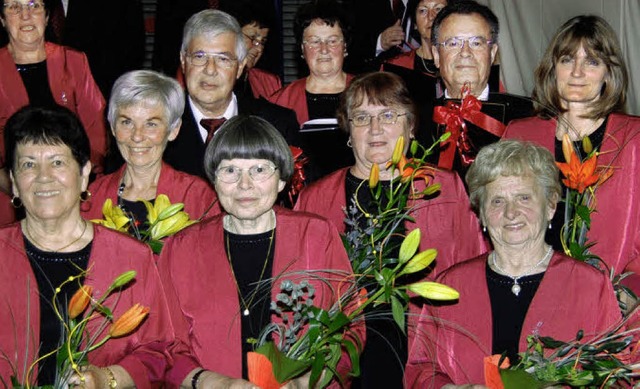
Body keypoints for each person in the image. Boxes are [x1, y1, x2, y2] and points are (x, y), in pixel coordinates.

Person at [295, 72, 485, 388]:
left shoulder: (445, 188)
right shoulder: (314, 198)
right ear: (347, 130)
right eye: (361, 117)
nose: (375, 129)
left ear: (410, 126)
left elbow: (474, 271)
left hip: (425, 349)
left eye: (388, 115)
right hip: (344, 354)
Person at [159, 115, 359, 387]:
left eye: (259, 170)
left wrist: (302, 383)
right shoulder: (180, 249)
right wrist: (218, 384)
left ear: (281, 180)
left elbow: (350, 330)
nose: (244, 184)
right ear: (213, 180)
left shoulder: (315, 235)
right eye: (230, 170)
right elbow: (166, 345)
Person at [405, 140, 622, 387]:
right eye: (497, 201)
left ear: (550, 206)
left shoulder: (590, 286)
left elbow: (616, 375)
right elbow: (421, 370)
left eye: (524, 198)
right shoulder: (451, 286)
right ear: (481, 213)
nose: (511, 212)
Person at [0, 105, 174, 387]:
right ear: (15, 183)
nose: (43, 177)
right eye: (28, 164)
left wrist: (105, 379)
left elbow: (159, 351)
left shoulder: (132, 259)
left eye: (57, 162)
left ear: (83, 174)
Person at [503, 15, 640, 292]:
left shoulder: (633, 140)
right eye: (567, 60)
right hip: (526, 291)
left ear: (608, 72)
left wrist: (629, 290)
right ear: (553, 68)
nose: (577, 72)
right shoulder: (519, 135)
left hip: (610, 301)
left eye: (591, 61)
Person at [163, 9, 299, 179]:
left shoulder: (277, 124)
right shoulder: (158, 124)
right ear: (183, 61)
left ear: (240, 67)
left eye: (223, 59)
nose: (210, 70)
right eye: (199, 56)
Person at [81, 70, 220, 226]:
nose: (137, 136)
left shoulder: (198, 196)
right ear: (113, 127)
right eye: (127, 122)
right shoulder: (93, 195)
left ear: (173, 130)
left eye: (151, 124)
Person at [0, 0, 107, 194]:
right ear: (2, 19)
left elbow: (96, 128)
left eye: (34, 5)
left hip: (72, 185)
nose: (26, 14)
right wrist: (14, 184)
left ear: (47, 16)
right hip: (8, 192)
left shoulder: (74, 61)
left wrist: (76, 177)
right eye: (14, 7)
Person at [423, 0, 531, 178]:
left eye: (476, 43)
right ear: (436, 55)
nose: (465, 52)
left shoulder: (526, 118)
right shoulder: (416, 121)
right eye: (453, 43)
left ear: (492, 53)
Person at [269, 0, 355, 181]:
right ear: (302, 49)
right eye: (314, 41)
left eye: (332, 41)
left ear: (345, 47)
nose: (324, 49)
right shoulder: (279, 101)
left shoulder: (369, 93)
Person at [223, 0, 282, 100]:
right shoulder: (211, 78)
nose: (258, 48)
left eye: (262, 42)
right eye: (252, 38)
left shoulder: (269, 82)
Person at [347, 0, 414, 73]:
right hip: (372, 75)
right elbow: (350, 45)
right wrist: (379, 43)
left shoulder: (423, 6)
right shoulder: (361, 4)